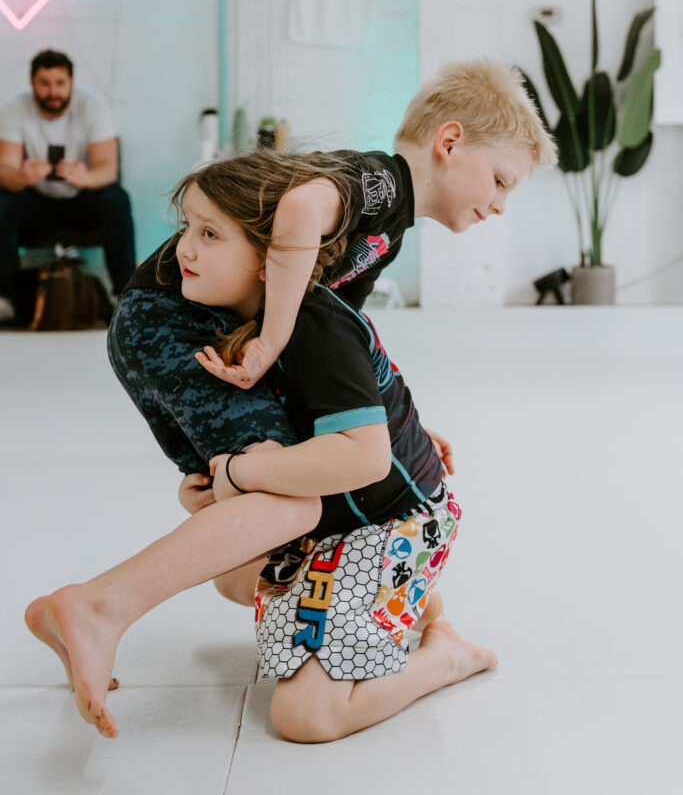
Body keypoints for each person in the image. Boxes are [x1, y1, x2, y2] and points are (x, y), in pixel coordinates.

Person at [25, 161, 496, 743]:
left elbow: (367, 459)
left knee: (306, 717)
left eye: (210, 234)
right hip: (347, 520)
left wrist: (239, 472)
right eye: (187, 228)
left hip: (396, 525)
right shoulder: (244, 328)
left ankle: (442, 653)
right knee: (230, 568)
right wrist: (219, 484)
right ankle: (400, 606)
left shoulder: (312, 324)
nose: (181, 252)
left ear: (272, 256)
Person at [201, 58, 557, 389]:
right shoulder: (382, 184)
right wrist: (270, 342)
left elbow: (340, 330)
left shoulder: (391, 234)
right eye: (499, 182)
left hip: (218, 331)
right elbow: (300, 207)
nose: (500, 208)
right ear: (449, 144)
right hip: (184, 315)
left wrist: (396, 422)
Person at [0, 49, 136, 321]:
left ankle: (126, 296)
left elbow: (108, 168)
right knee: (2, 201)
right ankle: (4, 299)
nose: (53, 92)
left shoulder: (92, 106)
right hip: (36, 199)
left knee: (116, 199)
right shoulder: (14, 108)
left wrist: (86, 177)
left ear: (71, 82)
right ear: (32, 83)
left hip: (81, 198)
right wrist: (22, 177)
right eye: (45, 83)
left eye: (60, 83)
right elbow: (5, 170)